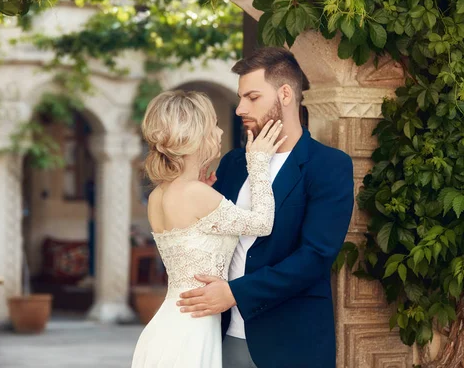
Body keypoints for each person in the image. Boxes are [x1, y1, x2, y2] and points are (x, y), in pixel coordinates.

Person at [176, 47, 355, 368]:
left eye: (252, 97)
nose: (240, 108)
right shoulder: (233, 163)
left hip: (292, 341)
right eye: (240, 97)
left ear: (285, 94)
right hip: (222, 336)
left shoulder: (328, 165)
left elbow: (315, 256)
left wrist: (236, 293)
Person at [130, 89, 286, 368]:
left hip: (170, 325)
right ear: (195, 135)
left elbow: (192, 228)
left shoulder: (159, 195)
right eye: (213, 123)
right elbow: (262, 223)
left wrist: (204, 188)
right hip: (190, 333)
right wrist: (259, 163)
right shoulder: (195, 194)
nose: (221, 129)